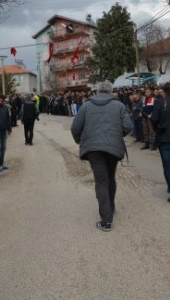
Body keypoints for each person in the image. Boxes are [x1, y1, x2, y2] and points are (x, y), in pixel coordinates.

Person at [71, 81, 133, 232]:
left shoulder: (86, 106)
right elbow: (128, 127)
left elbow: (75, 128)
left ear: (97, 91)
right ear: (111, 92)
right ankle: (110, 208)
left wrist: (81, 140)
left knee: (101, 181)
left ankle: (106, 220)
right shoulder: (119, 106)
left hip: (93, 149)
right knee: (110, 177)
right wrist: (117, 136)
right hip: (113, 147)